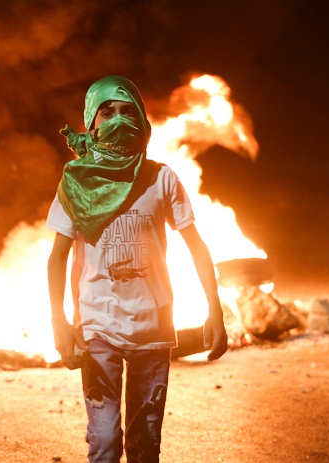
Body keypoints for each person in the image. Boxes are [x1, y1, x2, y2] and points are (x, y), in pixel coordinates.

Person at [46, 75, 228, 463]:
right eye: (106, 112)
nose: (116, 119)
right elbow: (57, 257)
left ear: (143, 121)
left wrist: (215, 309)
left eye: (127, 111)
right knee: (106, 442)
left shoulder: (161, 178)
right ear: (90, 124)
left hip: (153, 329)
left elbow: (196, 246)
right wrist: (59, 321)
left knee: (145, 446)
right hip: (98, 329)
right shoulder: (76, 183)